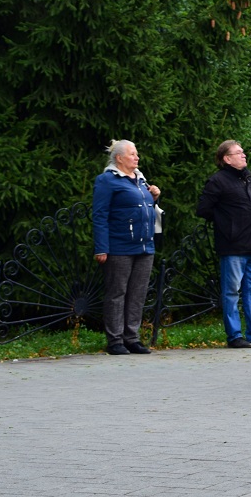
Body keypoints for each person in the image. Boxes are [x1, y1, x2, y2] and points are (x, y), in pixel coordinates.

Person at [196, 140, 251, 349]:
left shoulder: (247, 178)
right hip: (232, 246)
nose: (243, 155)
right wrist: (227, 225)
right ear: (227, 158)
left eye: (243, 152)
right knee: (232, 291)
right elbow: (203, 209)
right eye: (238, 153)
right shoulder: (218, 181)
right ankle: (234, 336)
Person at [91, 140, 160, 356]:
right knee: (117, 293)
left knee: (137, 293)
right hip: (119, 245)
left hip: (145, 246)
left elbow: (142, 207)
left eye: (137, 153)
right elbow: (100, 215)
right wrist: (101, 247)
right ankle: (115, 340)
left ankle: (132, 338)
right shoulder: (107, 180)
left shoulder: (140, 180)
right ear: (119, 158)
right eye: (132, 154)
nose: (137, 157)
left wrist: (155, 196)